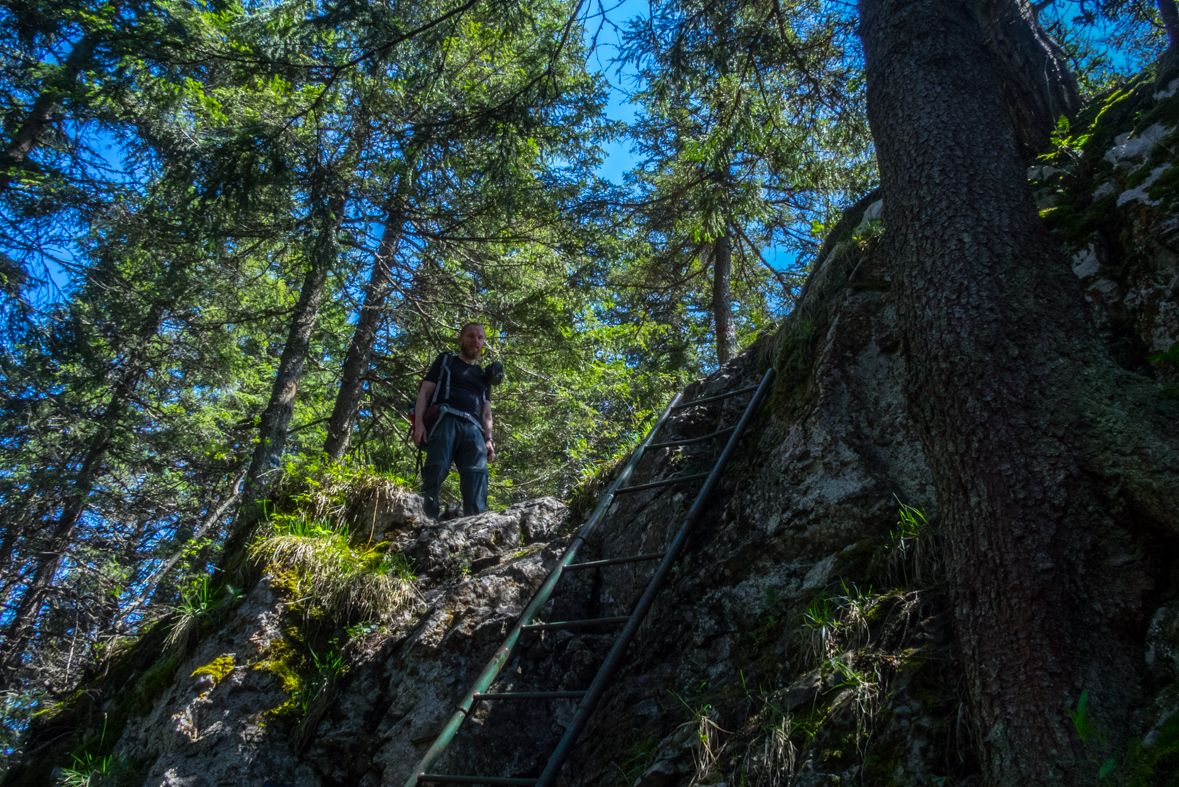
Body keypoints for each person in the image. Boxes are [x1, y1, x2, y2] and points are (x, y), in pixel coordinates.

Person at [413, 322, 495, 519]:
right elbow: (425, 392)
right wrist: (419, 425)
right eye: (471, 336)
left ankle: (474, 525)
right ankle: (427, 520)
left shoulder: (484, 376)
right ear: (460, 339)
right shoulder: (446, 361)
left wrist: (489, 439)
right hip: (446, 418)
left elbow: (486, 412)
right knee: (436, 468)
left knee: (477, 476)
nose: (476, 341)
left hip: (474, 429)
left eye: (480, 338)